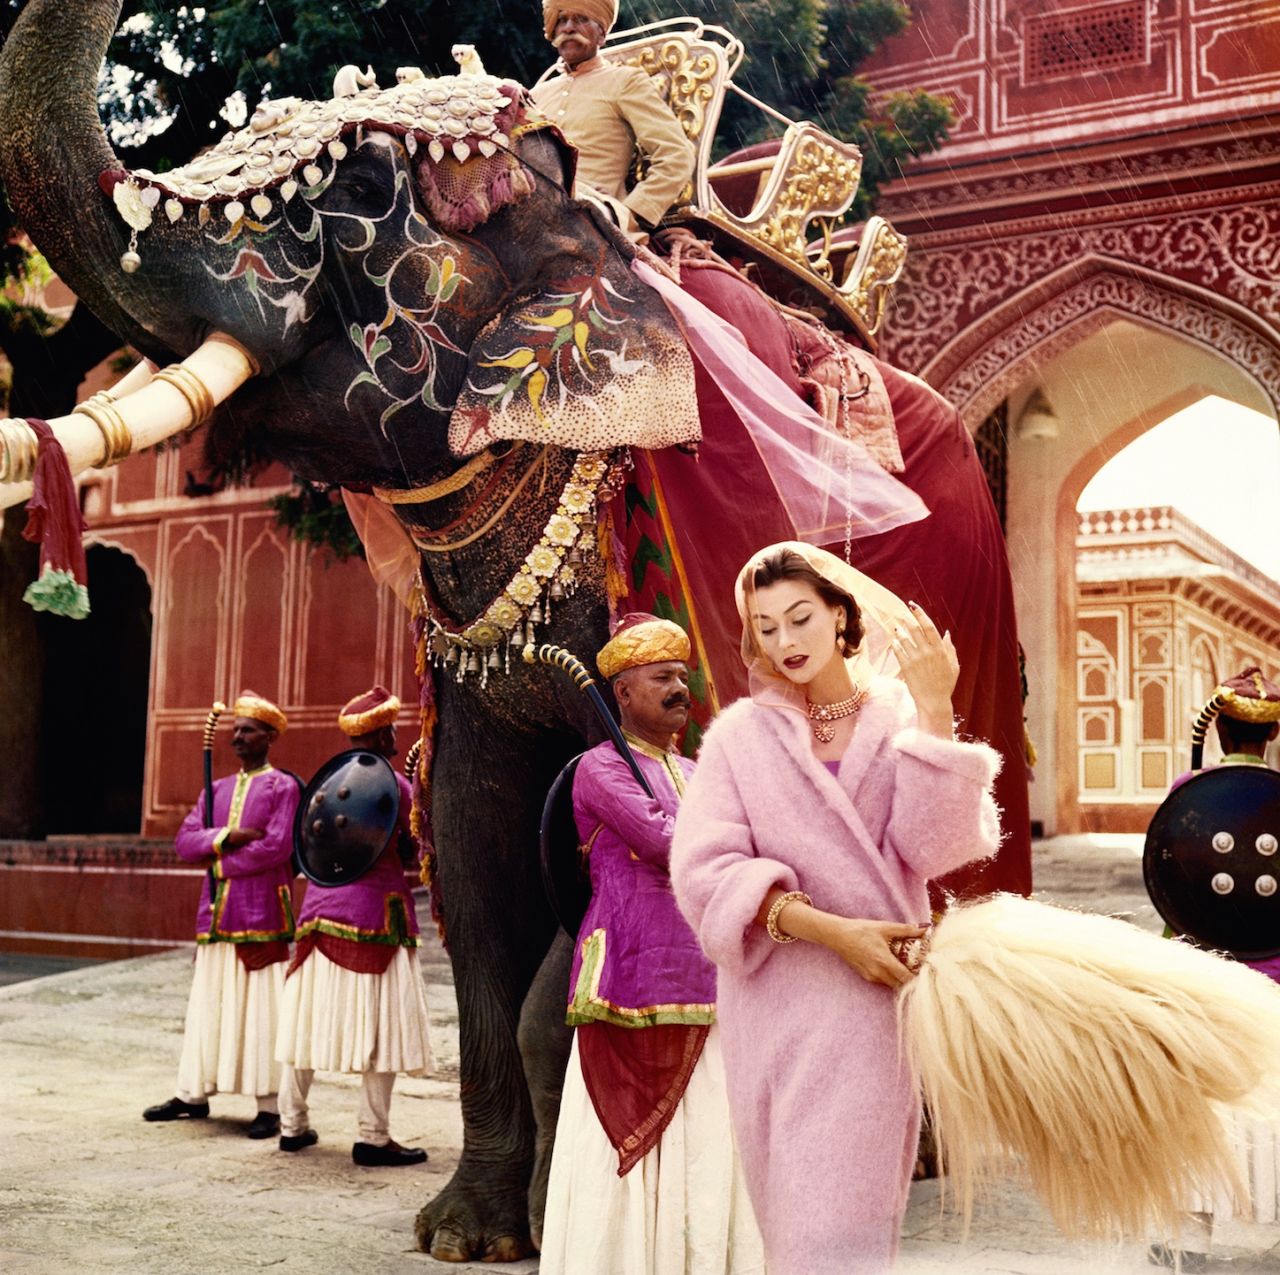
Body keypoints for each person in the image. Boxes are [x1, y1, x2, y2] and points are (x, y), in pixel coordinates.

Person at [670, 543, 1002, 1275]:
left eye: (800, 618)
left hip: (873, 1012)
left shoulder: (898, 722)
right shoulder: (738, 739)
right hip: (773, 1012)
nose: (784, 641)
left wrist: (937, 708)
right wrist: (831, 930)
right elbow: (703, 871)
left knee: (837, 1238)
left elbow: (935, 847)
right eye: (766, 627)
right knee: (791, 1230)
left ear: (842, 615)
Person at [540, 614, 765, 1274]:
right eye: (662, 676)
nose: (679, 687)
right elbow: (671, 842)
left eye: (682, 676)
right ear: (623, 693)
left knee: (711, 1127)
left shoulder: (698, 769)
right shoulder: (598, 769)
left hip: (710, 970)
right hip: (630, 971)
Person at [1148, 666, 1280, 1272]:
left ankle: (1187, 1242)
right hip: (1273, 978)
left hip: (1204, 974)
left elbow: (1171, 885)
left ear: (1219, 731)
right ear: (1271, 734)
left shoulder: (1189, 790)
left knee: (1200, 1107)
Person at [275, 685, 433, 1166]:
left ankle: (291, 1125)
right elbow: (419, 845)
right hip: (374, 917)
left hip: (316, 916)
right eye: (392, 729)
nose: (395, 736)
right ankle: (373, 1136)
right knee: (381, 1030)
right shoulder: (396, 787)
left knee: (302, 1024)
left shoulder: (326, 785)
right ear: (382, 734)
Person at [143, 691, 300, 1139]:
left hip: (262, 911)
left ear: (269, 736)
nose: (238, 736)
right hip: (215, 912)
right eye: (235, 729)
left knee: (260, 1009)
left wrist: (220, 863)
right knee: (208, 1003)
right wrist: (228, 836)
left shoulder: (283, 787)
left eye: (248, 730)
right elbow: (184, 841)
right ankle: (192, 1093)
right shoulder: (216, 790)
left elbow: (277, 847)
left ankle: (269, 1103)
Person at [530, 0, 696, 236]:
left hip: (591, 216)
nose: (568, 28)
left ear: (602, 34)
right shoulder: (537, 94)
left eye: (581, 19)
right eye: (562, 20)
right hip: (530, 208)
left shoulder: (626, 81)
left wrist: (629, 213)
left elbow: (676, 155)